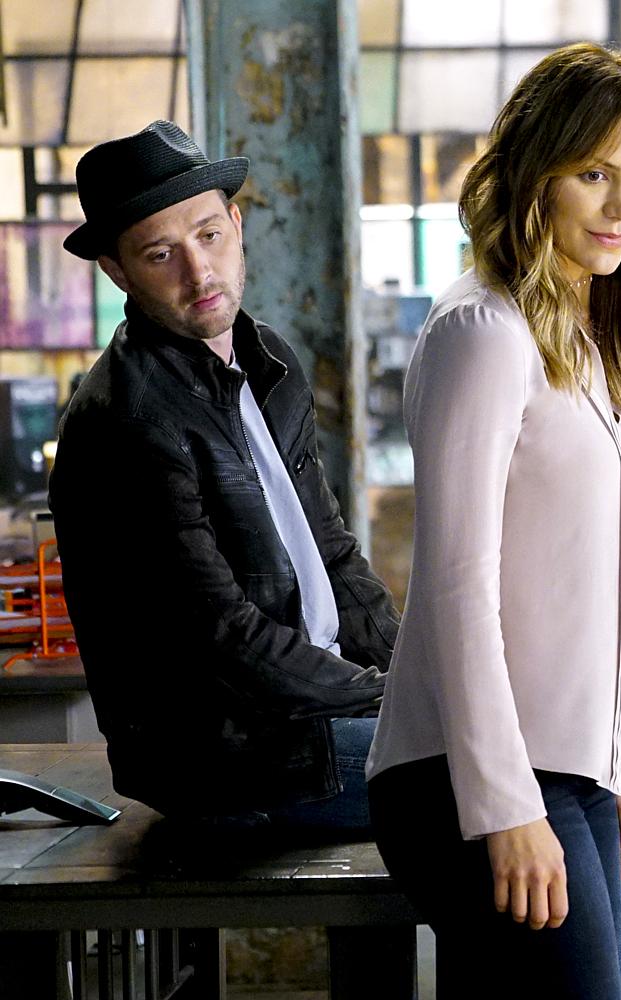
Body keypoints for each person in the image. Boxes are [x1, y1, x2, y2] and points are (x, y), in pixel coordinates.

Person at [366, 42, 621, 999]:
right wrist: (502, 806)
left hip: (573, 771)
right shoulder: (482, 332)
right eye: (592, 173)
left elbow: (618, 583)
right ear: (532, 172)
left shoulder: (606, 344)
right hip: (471, 773)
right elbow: (455, 586)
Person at [49, 120, 400, 834]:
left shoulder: (267, 360)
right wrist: (386, 695)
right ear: (117, 271)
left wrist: (418, 673)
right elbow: (221, 635)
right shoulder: (127, 420)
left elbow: (332, 555)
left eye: (208, 236)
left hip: (316, 718)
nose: (199, 272)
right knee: (512, 782)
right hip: (230, 758)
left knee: (537, 748)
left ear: (236, 226)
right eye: (160, 254)